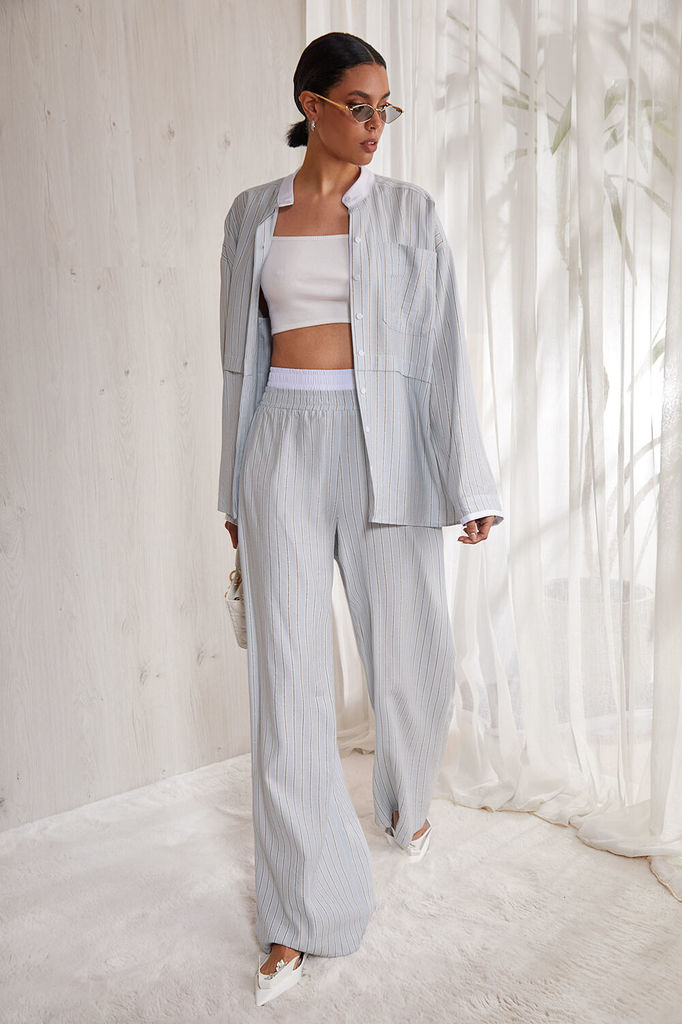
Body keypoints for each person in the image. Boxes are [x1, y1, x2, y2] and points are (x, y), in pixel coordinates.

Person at [217, 31, 504, 1006]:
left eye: (387, 107)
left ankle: (406, 798)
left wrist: (469, 481)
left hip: (388, 445)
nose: (377, 124)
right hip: (281, 447)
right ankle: (300, 914)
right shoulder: (251, 215)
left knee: (410, 652)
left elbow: (445, 351)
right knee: (285, 681)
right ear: (311, 105)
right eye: (358, 106)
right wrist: (232, 490)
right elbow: (236, 364)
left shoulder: (411, 213)